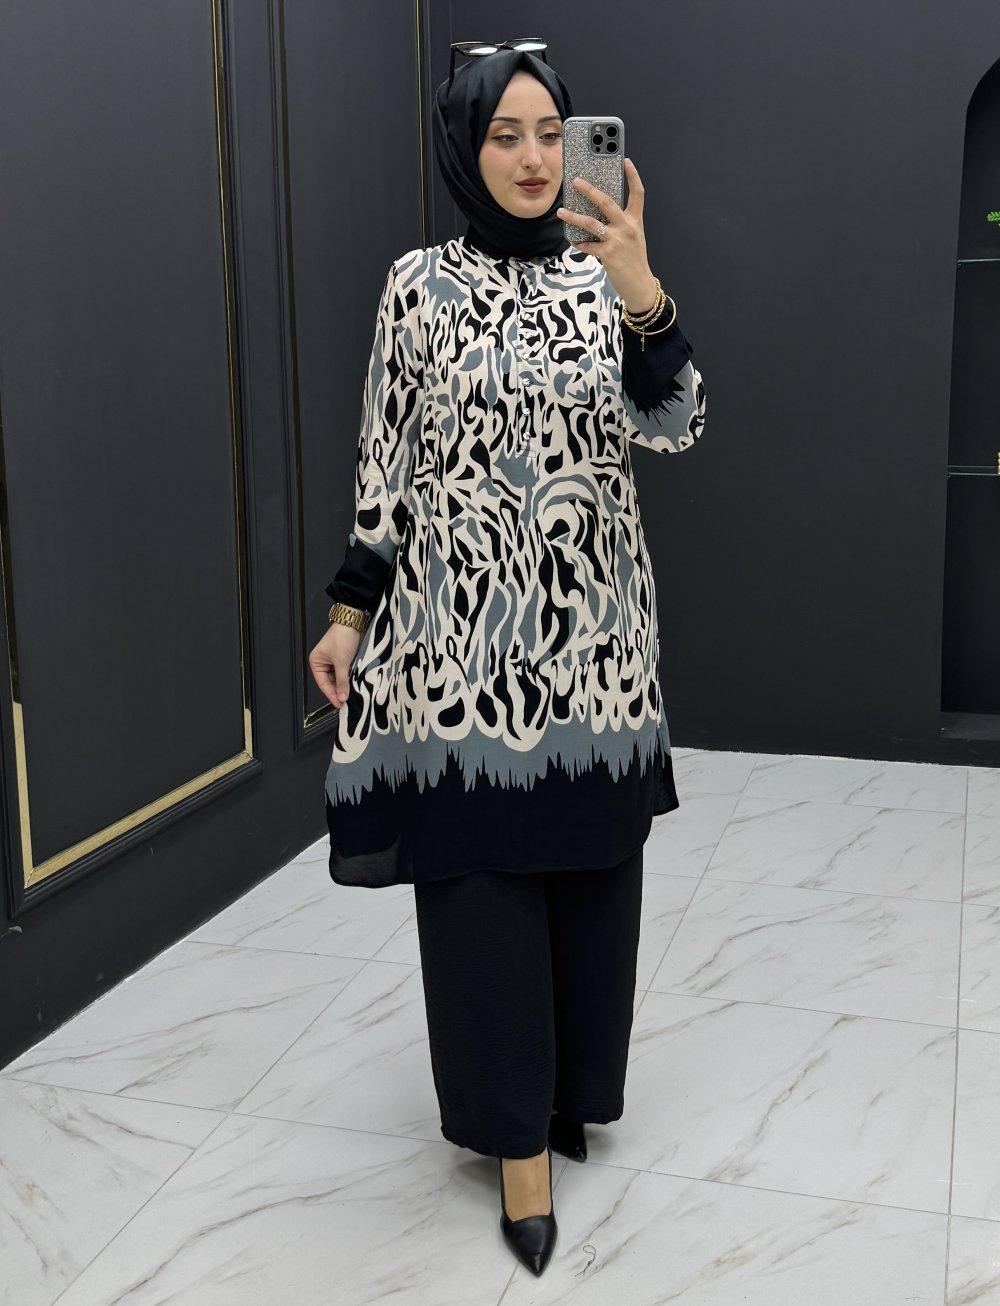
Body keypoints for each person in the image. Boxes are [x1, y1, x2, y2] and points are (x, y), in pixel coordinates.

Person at [308, 42, 707, 1278]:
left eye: (551, 132)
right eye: (505, 135)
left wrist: (643, 295)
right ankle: (513, 1144)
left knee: (591, 879)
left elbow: (677, 425)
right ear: (463, 146)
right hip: (460, 655)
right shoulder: (416, 285)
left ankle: (570, 1094)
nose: (534, 159)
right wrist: (349, 612)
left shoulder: (607, 275)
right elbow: (386, 459)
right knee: (479, 893)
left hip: (596, 652)